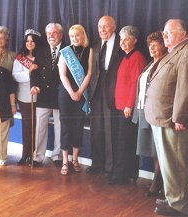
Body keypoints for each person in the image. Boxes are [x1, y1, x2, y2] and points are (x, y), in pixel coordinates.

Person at [145, 19, 188, 216]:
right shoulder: (176, 52)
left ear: (182, 32)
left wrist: (180, 117)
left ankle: (178, 206)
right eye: (164, 33)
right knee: (169, 164)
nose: (164, 37)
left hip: (175, 122)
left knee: (176, 165)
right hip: (164, 119)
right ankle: (172, 199)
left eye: (168, 33)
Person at [108, 25, 147, 184]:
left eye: (126, 39)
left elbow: (136, 85)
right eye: (121, 39)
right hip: (119, 106)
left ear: (135, 40)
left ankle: (121, 175)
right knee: (121, 141)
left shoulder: (137, 57)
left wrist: (129, 105)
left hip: (126, 108)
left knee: (125, 142)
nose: (122, 42)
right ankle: (126, 173)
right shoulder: (125, 57)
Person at [132, 31, 167, 196]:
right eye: (149, 45)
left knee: (159, 149)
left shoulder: (165, 64)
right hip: (145, 111)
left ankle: (157, 182)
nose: (151, 48)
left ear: (163, 45)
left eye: (155, 45)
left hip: (157, 113)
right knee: (153, 149)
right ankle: (157, 180)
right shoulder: (150, 64)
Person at [87, 16, 123, 175]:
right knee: (96, 128)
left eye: (105, 27)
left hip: (113, 92)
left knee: (110, 130)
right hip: (96, 91)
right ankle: (97, 164)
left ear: (114, 27)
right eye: (100, 27)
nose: (102, 30)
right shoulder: (95, 46)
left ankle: (110, 167)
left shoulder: (121, 45)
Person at [58, 24, 92, 175]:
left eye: (77, 35)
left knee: (78, 126)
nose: (74, 38)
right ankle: (65, 161)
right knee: (65, 126)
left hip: (81, 92)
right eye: (72, 36)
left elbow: (89, 73)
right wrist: (72, 91)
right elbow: (62, 74)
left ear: (83, 35)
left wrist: (79, 91)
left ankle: (75, 159)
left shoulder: (89, 51)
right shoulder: (65, 52)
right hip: (66, 93)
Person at [30, 23, 65, 167]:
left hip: (61, 94)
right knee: (40, 127)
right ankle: (38, 157)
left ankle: (57, 156)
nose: (51, 36)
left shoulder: (68, 50)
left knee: (59, 126)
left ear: (61, 35)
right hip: (43, 94)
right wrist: (33, 85)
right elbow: (34, 71)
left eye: (54, 33)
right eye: (49, 33)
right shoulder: (40, 51)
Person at [12, 29, 41, 165]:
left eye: (32, 41)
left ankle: (34, 155)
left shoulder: (41, 56)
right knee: (26, 126)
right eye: (27, 41)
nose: (30, 43)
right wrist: (28, 73)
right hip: (24, 96)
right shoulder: (20, 57)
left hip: (39, 96)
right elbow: (15, 75)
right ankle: (25, 154)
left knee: (37, 126)